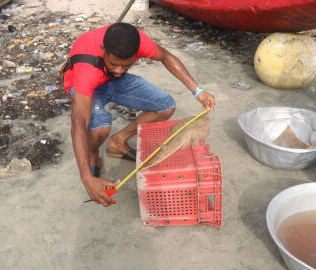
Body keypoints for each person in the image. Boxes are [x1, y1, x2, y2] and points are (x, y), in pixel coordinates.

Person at [62, 22, 214, 207]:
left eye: (126, 65)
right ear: (103, 50)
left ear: (136, 55)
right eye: (114, 63)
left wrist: (198, 91)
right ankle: (93, 153)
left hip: (109, 81)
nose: (119, 70)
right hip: (88, 84)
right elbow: (78, 121)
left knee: (165, 106)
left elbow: (166, 56)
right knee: (100, 128)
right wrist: (86, 178)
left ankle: (118, 140)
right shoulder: (87, 69)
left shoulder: (138, 42)